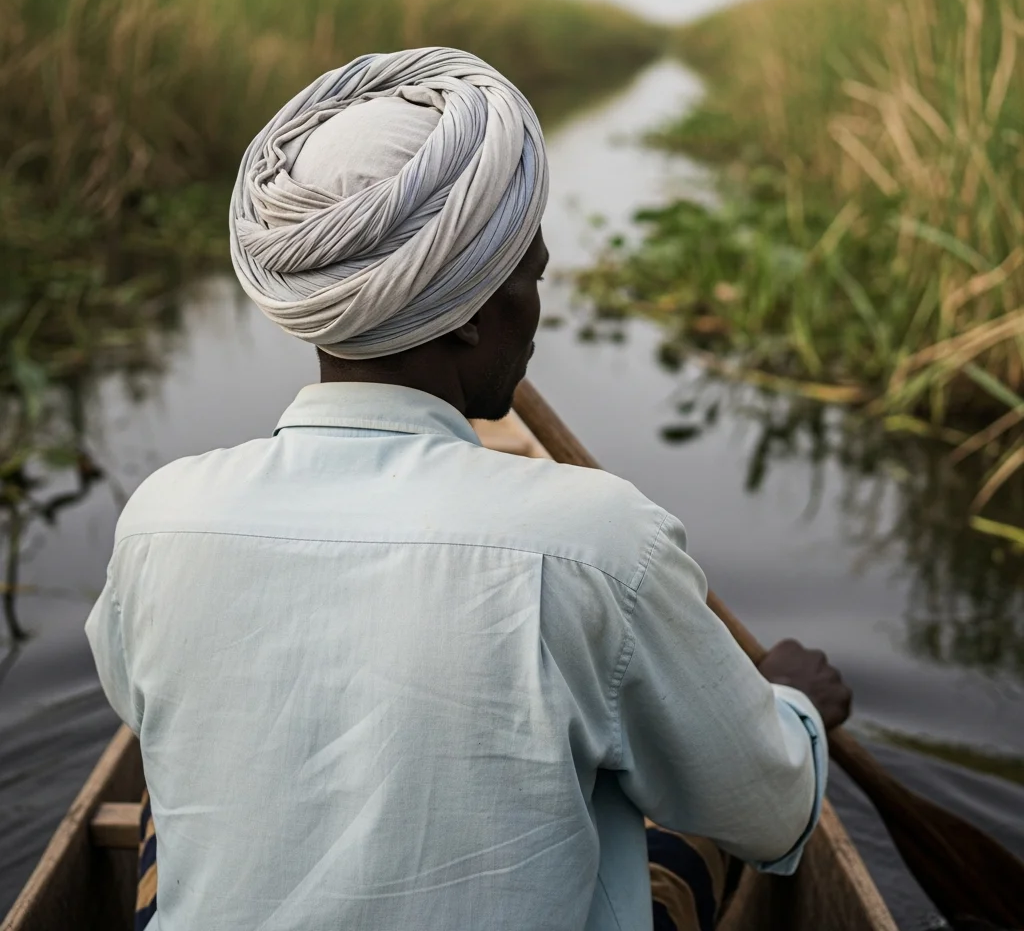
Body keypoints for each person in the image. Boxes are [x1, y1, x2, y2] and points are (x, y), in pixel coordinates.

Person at [86, 47, 851, 931]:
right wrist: (792, 704)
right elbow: (773, 814)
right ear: (479, 318)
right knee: (683, 806)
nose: (537, 310)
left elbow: (131, 700)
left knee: (166, 783)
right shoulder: (602, 542)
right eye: (532, 277)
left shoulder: (161, 519)